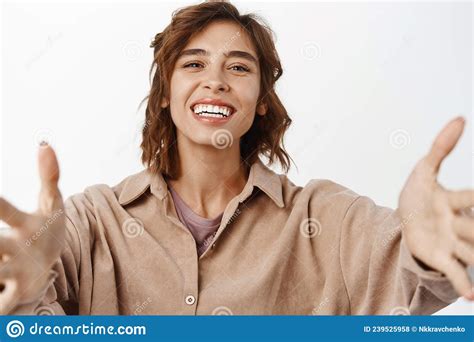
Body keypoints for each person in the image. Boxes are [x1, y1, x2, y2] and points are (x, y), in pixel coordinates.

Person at [0, 1, 472, 315]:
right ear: (166, 92)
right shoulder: (91, 222)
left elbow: (411, 272)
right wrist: (21, 286)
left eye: (239, 67)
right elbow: (25, 313)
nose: (216, 81)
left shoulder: (325, 218)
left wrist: (432, 245)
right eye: (194, 64)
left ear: (262, 98)